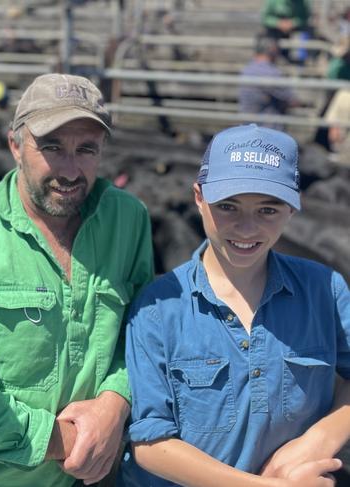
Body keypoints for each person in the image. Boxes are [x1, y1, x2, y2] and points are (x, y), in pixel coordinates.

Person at [0, 73, 155, 486]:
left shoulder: (127, 219)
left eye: (86, 149)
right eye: (52, 147)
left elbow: (143, 333)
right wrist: (62, 440)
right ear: (15, 146)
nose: (70, 170)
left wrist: (115, 402)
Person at [122, 123, 350, 487]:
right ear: (199, 197)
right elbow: (150, 443)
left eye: (268, 210)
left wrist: (316, 441)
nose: (246, 228)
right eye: (228, 206)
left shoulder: (324, 289)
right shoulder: (158, 306)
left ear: (293, 208)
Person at [238, 36, 299, 131]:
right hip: (268, 130)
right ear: (273, 49)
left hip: (248, 127)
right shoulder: (271, 73)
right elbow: (293, 100)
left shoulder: (247, 69)